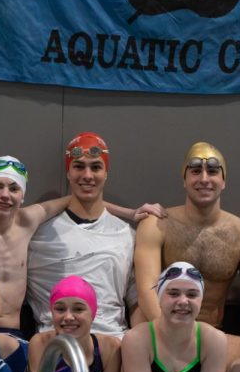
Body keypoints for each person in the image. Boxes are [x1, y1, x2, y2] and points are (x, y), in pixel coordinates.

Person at [133, 142, 240, 360]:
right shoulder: (157, 225)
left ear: (223, 181)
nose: (204, 179)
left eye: (213, 171)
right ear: (184, 180)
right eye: (196, 171)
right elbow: (146, 291)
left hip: (211, 335)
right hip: (160, 332)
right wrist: (174, 336)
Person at [26, 133, 149, 338]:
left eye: (96, 167)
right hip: (55, 343)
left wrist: (141, 344)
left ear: (106, 173)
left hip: (113, 343)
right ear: (68, 172)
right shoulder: (39, 236)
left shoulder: (126, 235)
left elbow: (136, 302)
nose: (87, 175)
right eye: (79, 166)